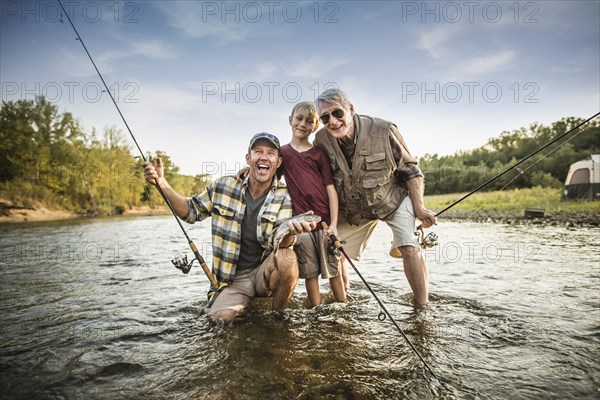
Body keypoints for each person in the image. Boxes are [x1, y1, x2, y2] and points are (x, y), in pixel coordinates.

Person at [143, 132, 317, 321]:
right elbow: (189, 211)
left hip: (263, 273)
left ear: (278, 161)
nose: (264, 157)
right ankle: (232, 304)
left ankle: (277, 317)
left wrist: (291, 233)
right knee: (220, 320)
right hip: (232, 280)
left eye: (271, 153)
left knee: (288, 258)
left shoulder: (285, 195)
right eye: (258, 151)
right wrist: (161, 183)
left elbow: (280, 242)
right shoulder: (223, 186)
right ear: (248, 158)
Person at [313, 88, 437, 306]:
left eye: (337, 113)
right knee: (333, 247)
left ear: (350, 109)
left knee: (409, 246)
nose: (332, 121)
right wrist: (254, 170)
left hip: (393, 201)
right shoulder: (320, 140)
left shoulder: (384, 129)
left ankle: (423, 307)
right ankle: (345, 302)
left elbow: (411, 171)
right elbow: (304, 165)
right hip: (353, 209)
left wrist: (419, 208)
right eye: (325, 117)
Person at [279, 101, 347, 307]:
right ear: (290, 120)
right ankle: (316, 310)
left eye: (309, 121)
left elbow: (330, 189)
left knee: (334, 269)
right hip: (302, 225)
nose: (303, 124)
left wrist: (334, 223)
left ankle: (343, 306)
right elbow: (268, 176)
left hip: (325, 223)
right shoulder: (282, 153)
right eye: (299, 119)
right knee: (310, 272)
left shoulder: (318, 153)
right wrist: (247, 170)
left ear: (315, 126)